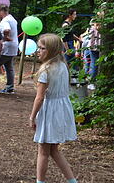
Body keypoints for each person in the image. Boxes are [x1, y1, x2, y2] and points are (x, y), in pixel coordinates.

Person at [29, 33, 78, 183]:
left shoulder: (46, 71)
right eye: (38, 48)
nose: (38, 51)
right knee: (54, 150)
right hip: (61, 110)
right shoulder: (63, 66)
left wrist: (32, 117)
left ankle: (40, 181)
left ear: (51, 50)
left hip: (50, 111)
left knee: (43, 151)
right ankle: (72, 180)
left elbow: (40, 97)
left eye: (42, 48)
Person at [0, 5, 19, 94]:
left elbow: (7, 29)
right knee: (9, 67)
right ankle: (10, 87)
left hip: (6, 47)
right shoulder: (12, 19)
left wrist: (5, 38)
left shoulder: (5, 20)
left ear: (1, 11)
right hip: (13, 46)